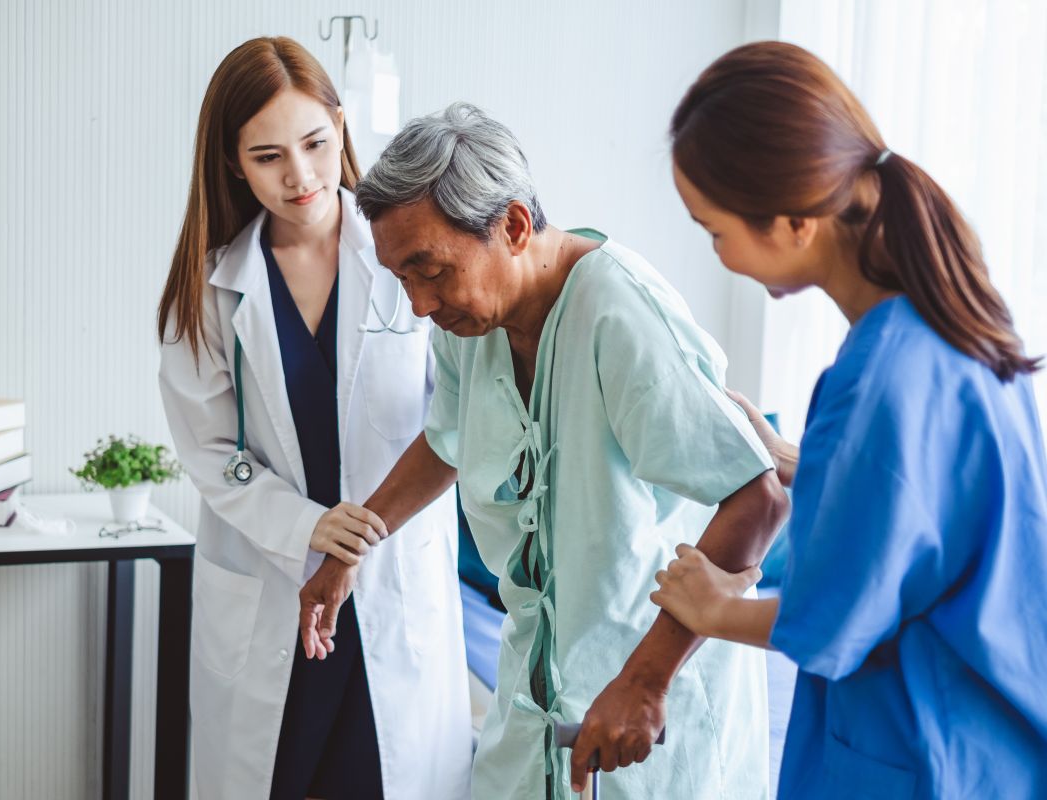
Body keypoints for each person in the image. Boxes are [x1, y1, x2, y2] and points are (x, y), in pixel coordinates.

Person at [298, 102, 789, 799]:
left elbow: (757, 494)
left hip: (654, 694)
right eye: (402, 279)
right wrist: (354, 545)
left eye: (429, 270)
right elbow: (448, 440)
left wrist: (645, 681)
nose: (419, 304)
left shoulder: (619, 316)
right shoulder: (470, 323)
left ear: (515, 226)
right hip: (542, 685)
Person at [653, 41, 1047, 800]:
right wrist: (807, 463)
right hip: (995, 743)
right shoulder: (955, 319)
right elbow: (933, 505)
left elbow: (835, 619)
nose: (718, 253)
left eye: (714, 231)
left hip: (920, 754)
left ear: (794, 222)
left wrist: (715, 605)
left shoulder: (874, 382)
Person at [156, 37, 471, 800]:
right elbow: (211, 454)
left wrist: (360, 534)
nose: (299, 176)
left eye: (314, 144)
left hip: (390, 588)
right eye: (268, 156)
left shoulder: (409, 255)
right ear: (233, 162)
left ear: (341, 125)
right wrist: (307, 526)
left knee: (386, 774)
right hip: (274, 587)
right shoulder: (209, 290)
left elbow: (459, 415)